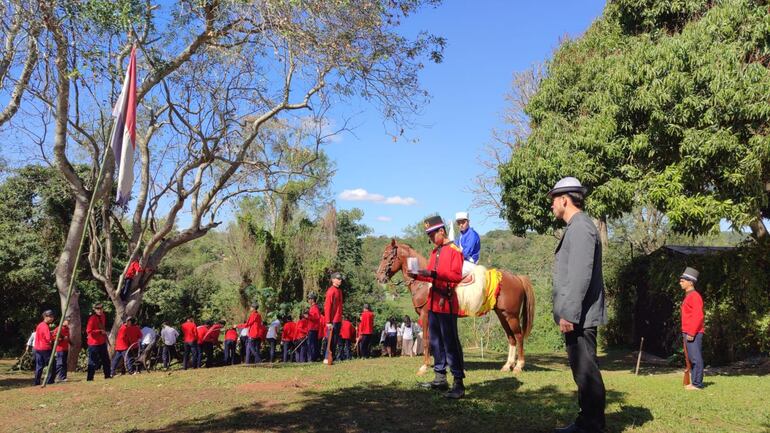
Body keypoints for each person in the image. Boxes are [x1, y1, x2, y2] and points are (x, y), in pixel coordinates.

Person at [549, 176, 607, 433]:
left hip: (580, 316)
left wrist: (569, 314)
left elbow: (580, 275)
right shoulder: (577, 227)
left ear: (564, 199)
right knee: (582, 371)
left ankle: (592, 426)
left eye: (554, 200)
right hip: (577, 315)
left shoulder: (581, 227)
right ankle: (587, 421)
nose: (551, 206)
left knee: (586, 371)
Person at [410, 215, 465, 399]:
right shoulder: (435, 252)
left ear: (441, 231)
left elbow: (456, 276)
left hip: (447, 302)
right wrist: (418, 275)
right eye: (429, 236)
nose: (431, 239)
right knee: (436, 342)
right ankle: (440, 378)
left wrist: (432, 273)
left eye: (432, 235)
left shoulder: (454, 250)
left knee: (450, 343)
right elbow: (431, 275)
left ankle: (458, 383)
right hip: (433, 302)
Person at [680, 267, 705, 390]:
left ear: (691, 282)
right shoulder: (689, 296)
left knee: (696, 358)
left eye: (683, 280)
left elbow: (698, 316)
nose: (680, 282)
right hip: (688, 332)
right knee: (691, 358)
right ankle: (694, 382)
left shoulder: (694, 296)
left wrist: (691, 332)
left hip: (693, 332)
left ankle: (697, 384)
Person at [86, 303, 112, 381]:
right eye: (98, 309)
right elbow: (89, 331)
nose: (99, 310)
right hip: (93, 343)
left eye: (101, 309)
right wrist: (100, 332)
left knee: (106, 360)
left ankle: (107, 376)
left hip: (102, 342)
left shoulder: (103, 316)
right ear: (95, 310)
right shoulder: (92, 318)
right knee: (92, 361)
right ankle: (90, 378)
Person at [323, 272, 344, 364]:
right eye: (338, 279)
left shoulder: (339, 291)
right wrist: (328, 321)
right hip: (332, 320)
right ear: (333, 280)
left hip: (338, 319)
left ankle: (332, 358)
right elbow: (327, 307)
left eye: (340, 279)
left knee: (335, 341)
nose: (340, 280)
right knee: (330, 340)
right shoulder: (331, 291)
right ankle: (327, 358)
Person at [454, 211, 480, 278]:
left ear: (468, 222)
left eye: (463, 222)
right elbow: (454, 249)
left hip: (470, 263)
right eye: (459, 223)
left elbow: (466, 253)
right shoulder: (460, 236)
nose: (461, 225)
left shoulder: (472, 235)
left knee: (452, 274)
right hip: (462, 262)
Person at [33, 310, 55, 386]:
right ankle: (49, 381)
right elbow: (48, 338)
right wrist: (55, 337)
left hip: (37, 348)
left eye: (52, 316)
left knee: (39, 366)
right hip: (45, 348)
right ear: (45, 317)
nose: (52, 318)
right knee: (51, 364)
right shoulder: (45, 326)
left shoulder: (39, 325)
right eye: (50, 317)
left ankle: (37, 382)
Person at [53, 317, 71, 382]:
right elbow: (55, 338)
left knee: (64, 363)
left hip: (66, 348)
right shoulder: (58, 328)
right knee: (60, 363)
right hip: (60, 349)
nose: (68, 322)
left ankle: (63, 377)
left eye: (69, 321)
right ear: (63, 321)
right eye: (67, 321)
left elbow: (68, 338)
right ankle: (53, 376)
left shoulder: (67, 329)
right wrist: (63, 338)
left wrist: (70, 342)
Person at [307, 293, 321, 361]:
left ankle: (312, 358)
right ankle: (313, 358)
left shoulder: (315, 307)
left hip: (313, 328)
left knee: (312, 344)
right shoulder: (312, 307)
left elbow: (317, 317)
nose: (308, 300)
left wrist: (308, 317)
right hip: (312, 328)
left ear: (312, 300)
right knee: (312, 344)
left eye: (309, 299)